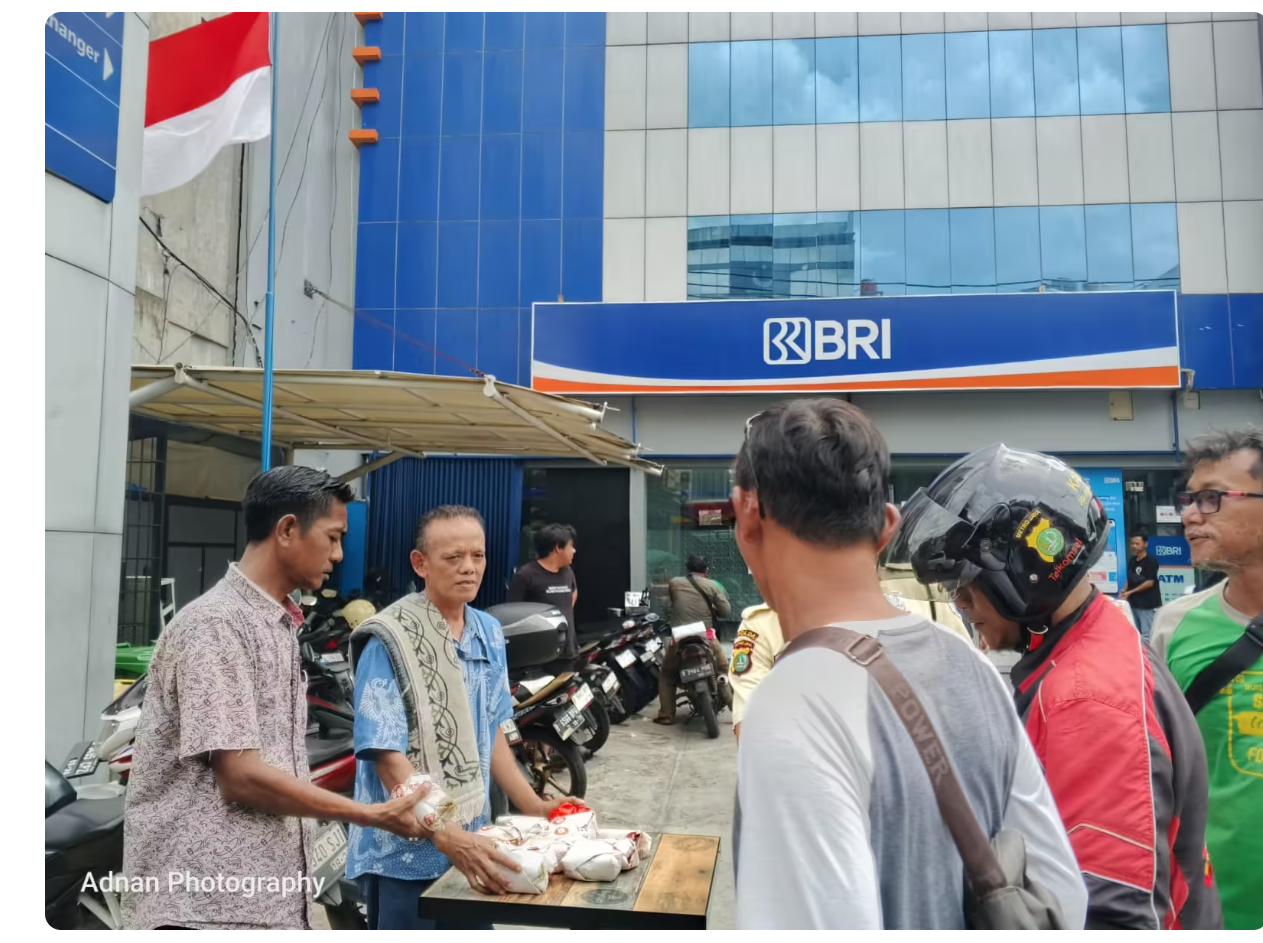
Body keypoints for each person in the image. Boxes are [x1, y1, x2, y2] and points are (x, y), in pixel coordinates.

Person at [731, 400, 1087, 930]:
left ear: (746, 512)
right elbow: (1064, 897)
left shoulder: (792, 703)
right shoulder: (971, 666)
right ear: (887, 527)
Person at [892, 443, 1222, 930]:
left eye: (962, 584)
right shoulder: (1090, 644)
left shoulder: (1086, 698)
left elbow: (1110, 914)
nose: (959, 603)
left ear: (1026, 573)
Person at [121, 467, 430, 931]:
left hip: (260, 903)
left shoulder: (277, 623)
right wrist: (369, 814)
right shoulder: (216, 626)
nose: (339, 554)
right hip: (204, 910)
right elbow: (241, 776)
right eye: (333, 537)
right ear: (287, 530)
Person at [346, 506, 578, 930]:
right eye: (453, 557)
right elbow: (387, 757)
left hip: (474, 843)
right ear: (420, 563)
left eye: (478, 555)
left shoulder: (488, 632)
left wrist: (534, 806)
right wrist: (445, 831)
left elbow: (489, 732)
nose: (469, 567)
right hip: (406, 852)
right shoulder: (390, 639)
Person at [1151, 429, 1263, 931]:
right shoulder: (1174, 627)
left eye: (1212, 498)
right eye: (1190, 499)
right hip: (1213, 915)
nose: (1190, 515)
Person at [655, 555, 732, 726]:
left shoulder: (675, 583)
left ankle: (666, 715)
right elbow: (726, 611)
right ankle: (736, 710)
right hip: (706, 637)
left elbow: (675, 602)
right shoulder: (712, 585)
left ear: (687, 569)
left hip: (680, 638)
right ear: (706, 571)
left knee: (667, 675)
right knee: (724, 670)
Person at [508, 523, 579, 657]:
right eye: (571, 546)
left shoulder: (568, 572)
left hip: (568, 650)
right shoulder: (526, 575)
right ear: (558, 547)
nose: (573, 551)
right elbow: (513, 615)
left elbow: (573, 593)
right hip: (540, 655)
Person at [1121, 530, 1162, 644]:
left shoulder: (1151, 561)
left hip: (1147, 604)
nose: (1134, 546)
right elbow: (1129, 579)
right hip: (1133, 604)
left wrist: (1131, 592)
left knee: (1147, 634)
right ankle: (1139, 654)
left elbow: (1150, 582)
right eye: (1132, 543)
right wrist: (1125, 591)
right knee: (1135, 633)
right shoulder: (1132, 561)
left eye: (1137, 543)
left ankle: (1148, 655)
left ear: (1145, 544)